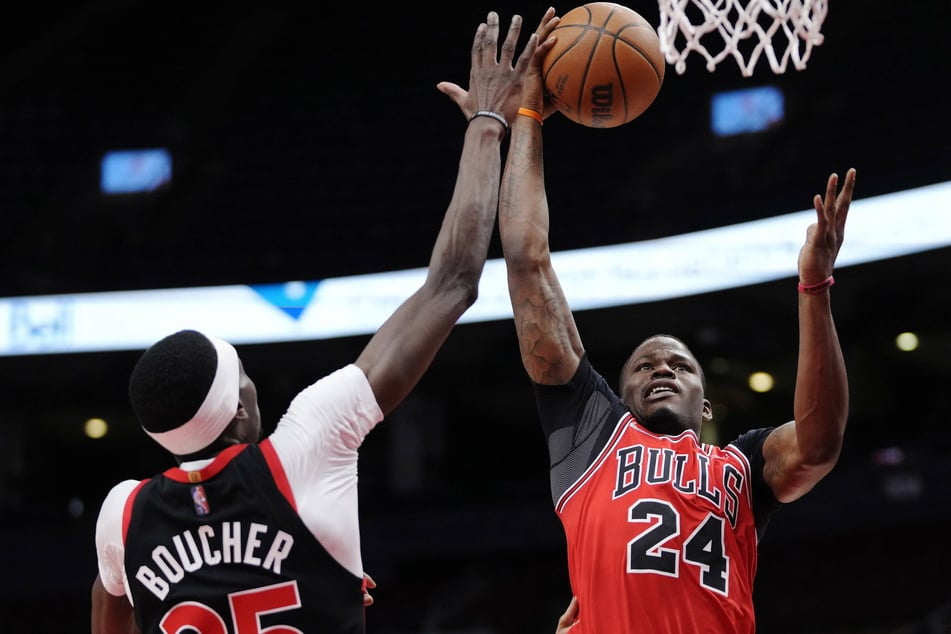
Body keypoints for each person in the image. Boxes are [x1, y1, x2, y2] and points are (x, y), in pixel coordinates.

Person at [91, 11, 556, 633]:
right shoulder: (308, 443)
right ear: (239, 413)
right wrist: (487, 124)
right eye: (244, 378)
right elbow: (451, 285)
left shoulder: (123, 515)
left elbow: (110, 599)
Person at [462, 8, 853, 632]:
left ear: (705, 403)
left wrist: (814, 286)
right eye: (644, 364)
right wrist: (530, 115)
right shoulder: (594, 435)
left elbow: (821, 442)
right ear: (618, 394)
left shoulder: (741, 469)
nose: (662, 368)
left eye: (680, 363)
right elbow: (527, 262)